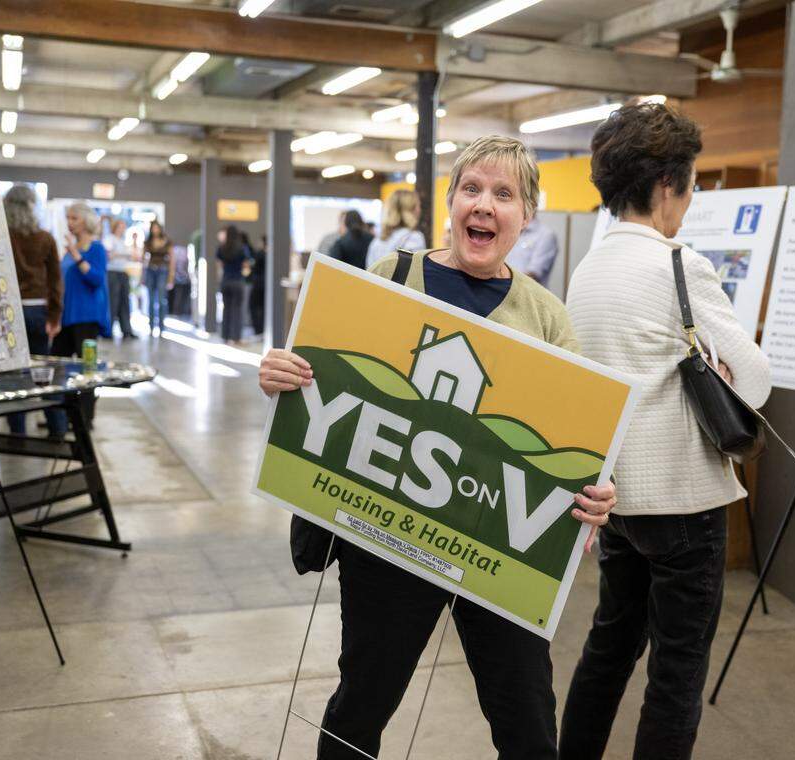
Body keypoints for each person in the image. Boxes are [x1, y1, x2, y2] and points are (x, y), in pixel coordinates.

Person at [258, 136, 617, 760]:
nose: (485, 205)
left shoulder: (547, 316)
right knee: (361, 706)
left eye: (504, 194)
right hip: (388, 543)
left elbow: (581, 442)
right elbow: (328, 384)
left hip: (501, 554)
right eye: (472, 189)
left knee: (529, 724)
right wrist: (282, 376)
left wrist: (598, 492)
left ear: (526, 216)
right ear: (450, 203)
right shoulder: (390, 279)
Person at [561, 103, 772, 760]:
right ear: (663, 187)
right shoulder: (680, 265)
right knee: (677, 674)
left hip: (618, 501)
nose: (689, 199)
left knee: (608, 648)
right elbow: (757, 380)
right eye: (690, 183)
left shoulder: (586, 270)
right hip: (685, 503)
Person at [3, 185, 62, 435]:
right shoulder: (45, 238)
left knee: (12, 376)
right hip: (38, 312)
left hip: (9, 313)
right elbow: (55, 281)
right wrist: (55, 316)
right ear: (31, 206)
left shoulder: (0, 236)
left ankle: (18, 431)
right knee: (42, 375)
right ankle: (57, 427)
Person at [48, 202, 112, 435]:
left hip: (87, 319)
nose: (70, 222)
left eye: (74, 218)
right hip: (67, 317)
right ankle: (60, 418)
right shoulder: (69, 249)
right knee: (58, 366)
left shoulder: (96, 249)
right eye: (68, 218)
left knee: (87, 371)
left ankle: (85, 419)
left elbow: (96, 279)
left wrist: (77, 256)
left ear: (85, 221)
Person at [364, 188, 426, 269]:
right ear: (411, 210)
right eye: (418, 206)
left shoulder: (377, 241)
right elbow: (415, 274)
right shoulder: (414, 237)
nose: (420, 210)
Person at [104, 218, 137, 339]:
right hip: (112, 272)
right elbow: (109, 255)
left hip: (123, 272)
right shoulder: (109, 239)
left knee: (125, 302)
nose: (122, 229)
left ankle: (126, 330)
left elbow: (132, 256)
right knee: (113, 301)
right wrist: (123, 255)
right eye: (120, 226)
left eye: (124, 227)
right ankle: (109, 330)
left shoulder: (122, 241)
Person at [505, 216, 559, 289]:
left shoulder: (545, 235)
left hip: (527, 295)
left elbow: (533, 274)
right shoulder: (508, 231)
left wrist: (502, 284)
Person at [217, 225, 250, 345]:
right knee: (237, 310)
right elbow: (246, 265)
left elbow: (220, 265)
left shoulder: (221, 248)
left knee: (226, 309)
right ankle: (236, 338)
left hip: (225, 281)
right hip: (237, 281)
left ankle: (225, 336)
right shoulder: (242, 248)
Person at [143, 221, 174, 336]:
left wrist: (171, 277)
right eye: (153, 228)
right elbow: (144, 259)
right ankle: (151, 326)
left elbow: (172, 260)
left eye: (157, 228)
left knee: (161, 300)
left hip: (162, 271)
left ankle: (161, 326)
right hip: (150, 271)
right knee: (150, 301)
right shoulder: (148, 242)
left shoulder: (167, 241)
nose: (155, 230)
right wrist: (143, 275)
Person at [248, 234, 267, 336]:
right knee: (263, 307)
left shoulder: (260, 254)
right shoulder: (270, 254)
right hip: (265, 285)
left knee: (253, 306)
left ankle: (258, 330)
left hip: (258, 284)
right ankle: (262, 329)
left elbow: (254, 268)